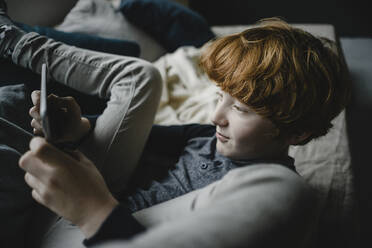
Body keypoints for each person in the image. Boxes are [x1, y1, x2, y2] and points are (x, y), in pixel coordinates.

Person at [0, 1, 350, 247]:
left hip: (91, 230)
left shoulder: (267, 189)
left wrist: (91, 208)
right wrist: (79, 128)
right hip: (81, 204)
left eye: (241, 109)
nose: (216, 117)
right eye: (219, 97)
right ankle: (9, 38)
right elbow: (139, 138)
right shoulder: (206, 136)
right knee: (141, 75)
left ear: (297, 132)